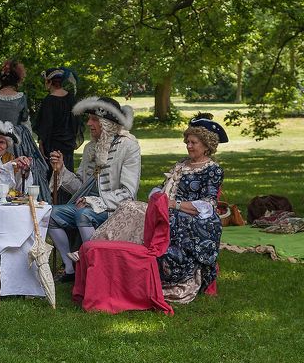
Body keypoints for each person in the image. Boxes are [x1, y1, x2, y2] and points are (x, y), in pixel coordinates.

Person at [47, 96, 141, 282]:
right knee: (50, 214)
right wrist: (61, 170)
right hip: (85, 204)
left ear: (107, 123)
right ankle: (70, 268)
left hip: (115, 208)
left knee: (84, 214)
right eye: (89, 118)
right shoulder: (91, 148)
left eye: (94, 119)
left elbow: (128, 192)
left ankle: (93, 268)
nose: (89, 123)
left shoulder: (129, 146)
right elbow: (80, 185)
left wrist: (94, 201)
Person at [151, 116, 227, 303]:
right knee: (131, 208)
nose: (189, 146)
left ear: (207, 145)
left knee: (172, 219)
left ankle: (172, 277)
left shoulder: (212, 169)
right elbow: (162, 188)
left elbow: (208, 205)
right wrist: (157, 197)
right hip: (170, 209)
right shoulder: (180, 164)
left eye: (194, 142)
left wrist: (173, 205)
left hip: (199, 218)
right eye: (188, 142)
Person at [0, 59, 50, 199]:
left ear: (0, 79)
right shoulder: (21, 97)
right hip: (19, 137)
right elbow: (24, 118)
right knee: (24, 164)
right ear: (17, 79)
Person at [33, 68, 79, 173]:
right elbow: (76, 122)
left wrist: (41, 142)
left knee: (53, 176)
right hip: (68, 144)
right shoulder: (71, 98)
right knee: (67, 174)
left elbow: (46, 125)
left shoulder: (49, 101)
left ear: (48, 82)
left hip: (53, 145)